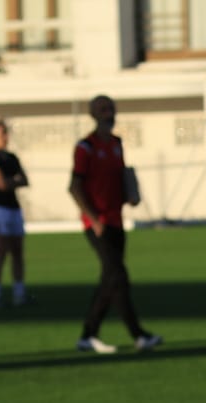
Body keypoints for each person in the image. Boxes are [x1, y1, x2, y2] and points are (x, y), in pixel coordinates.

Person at [67, 94, 161, 354]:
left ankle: (88, 334)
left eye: (111, 108)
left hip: (117, 220)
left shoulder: (117, 144)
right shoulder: (85, 147)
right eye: (103, 109)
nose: (108, 113)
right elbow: (74, 186)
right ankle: (139, 335)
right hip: (98, 223)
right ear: (93, 115)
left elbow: (120, 175)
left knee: (111, 279)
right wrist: (93, 218)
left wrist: (131, 193)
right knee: (118, 276)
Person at [0, 119, 29, 308]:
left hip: (14, 207)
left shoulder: (12, 157)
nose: (6, 137)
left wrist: (10, 182)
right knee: (1, 251)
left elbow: (24, 180)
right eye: (2, 134)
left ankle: (19, 293)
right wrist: (12, 181)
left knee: (18, 252)